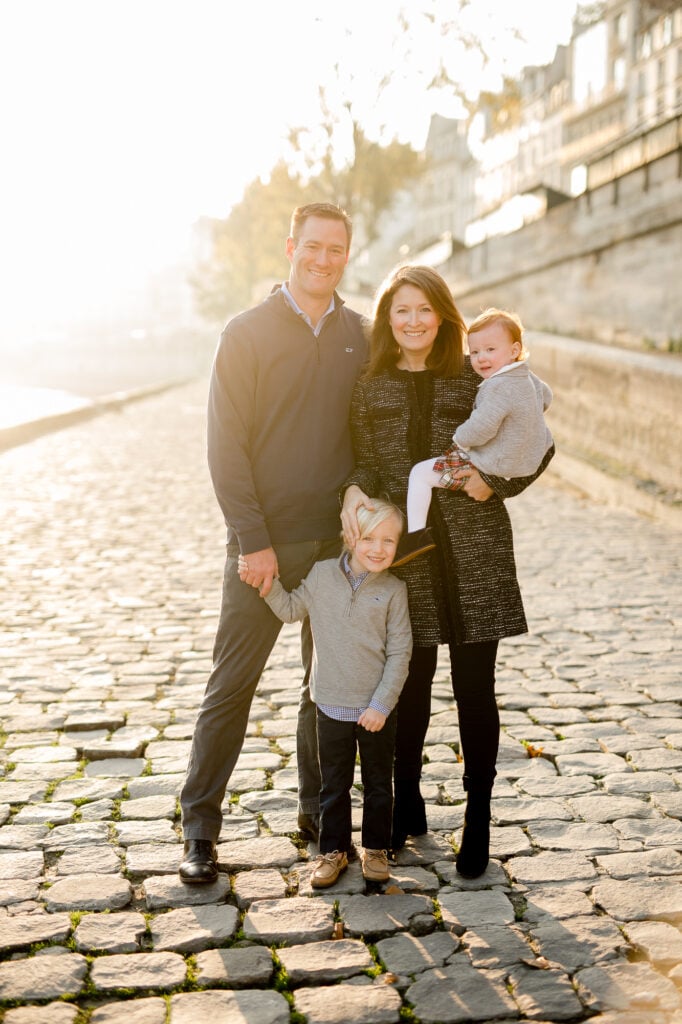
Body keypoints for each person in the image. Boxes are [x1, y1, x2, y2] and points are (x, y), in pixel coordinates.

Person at [341, 265, 554, 879]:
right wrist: (357, 499)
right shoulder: (371, 383)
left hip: (475, 550)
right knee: (409, 683)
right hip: (406, 555)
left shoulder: (476, 373)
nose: (413, 321)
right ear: (388, 318)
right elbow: (362, 460)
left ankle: (478, 817)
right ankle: (407, 800)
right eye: (400, 310)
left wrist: (498, 483)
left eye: (424, 310)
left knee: (474, 689)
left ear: (443, 317)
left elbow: (539, 439)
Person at [178, 202, 368, 884]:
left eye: (336, 249)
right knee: (234, 683)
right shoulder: (247, 333)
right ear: (291, 246)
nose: (323, 259)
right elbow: (225, 447)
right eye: (313, 246)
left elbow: (369, 435)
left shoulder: (359, 335)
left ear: (347, 254)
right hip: (265, 548)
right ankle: (199, 827)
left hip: (335, 548)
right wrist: (252, 540)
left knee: (328, 690)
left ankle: (322, 821)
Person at [240, 499, 412, 888]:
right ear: (350, 538)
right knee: (333, 785)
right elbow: (289, 610)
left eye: (389, 540)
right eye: (369, 537)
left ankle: (375, 848)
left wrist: (381, 705)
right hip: (330, 706)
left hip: (375, 711)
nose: (379, 548)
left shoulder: (393, 591)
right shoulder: (320, 577)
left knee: (378, 784)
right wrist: (267, 586)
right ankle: (332, 852)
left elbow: (401, 653)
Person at [396, 307, 553, 566]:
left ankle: (415, 535)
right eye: (475, 351)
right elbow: (546, 396)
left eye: (491, 350)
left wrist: (459, 439)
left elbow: (484, 425)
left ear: (514, 350)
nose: (480, 359)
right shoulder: (525, 377)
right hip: (522, 460)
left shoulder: (498, 385)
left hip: (490, 465)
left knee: (421, 474)